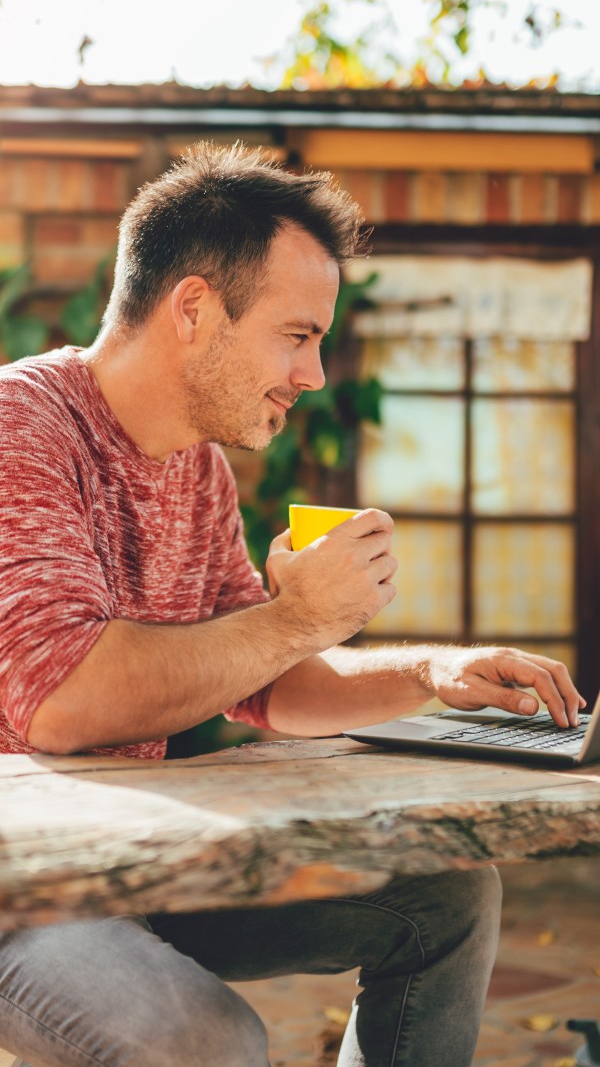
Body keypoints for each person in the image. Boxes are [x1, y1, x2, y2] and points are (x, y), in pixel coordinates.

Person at [0, 142, 584, 1067]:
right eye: (300, 333)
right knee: (214, 1042)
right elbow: (60, 705)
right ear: (194, 309)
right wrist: (297, 616)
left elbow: (266, 685)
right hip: (22, 892)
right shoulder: (20, 427)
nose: (313, 374)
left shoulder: (195, 468)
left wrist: (434, 674)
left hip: (138, 858)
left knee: (447, 898)